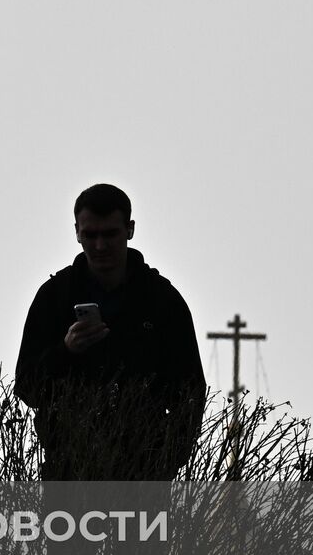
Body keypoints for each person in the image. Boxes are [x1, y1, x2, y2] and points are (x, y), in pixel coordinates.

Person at [15, 184, 207, 480]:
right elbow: (27, 386)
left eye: (110, 234)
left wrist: (167, 458)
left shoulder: (163, 301)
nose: (100, 245)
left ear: (129, 230)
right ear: (76, 232)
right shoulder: (54, 297)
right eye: (90, 235)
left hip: (144, 474)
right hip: (69, 470)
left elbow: (191, 392)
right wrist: (66, 352)